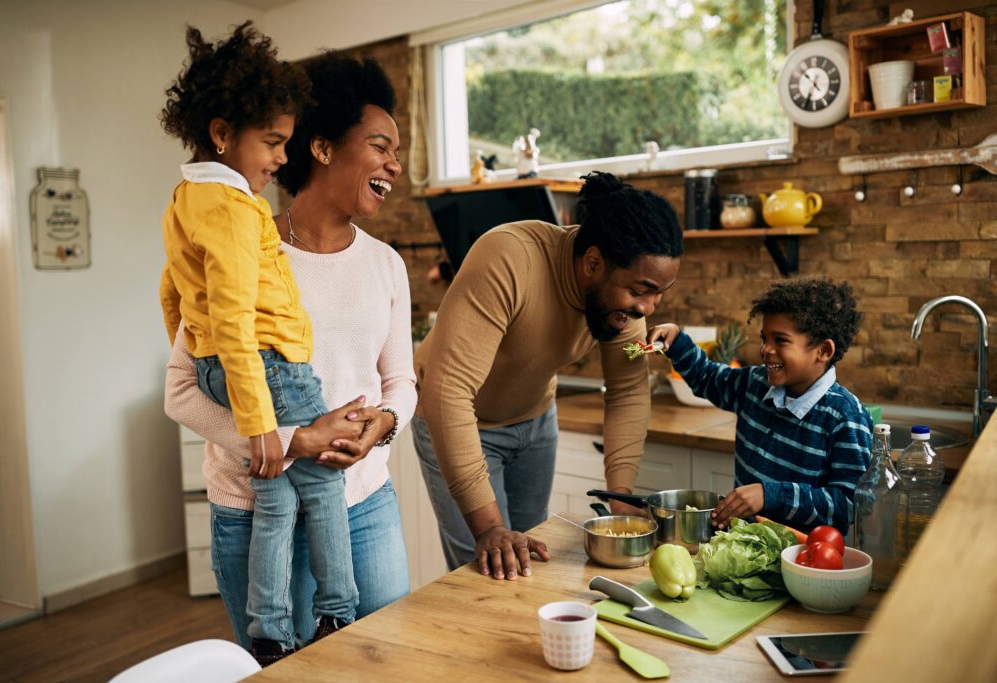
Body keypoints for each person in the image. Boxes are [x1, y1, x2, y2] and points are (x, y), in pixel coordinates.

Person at [163, 47, 412, 665]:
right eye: (380, 145)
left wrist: (383, 424)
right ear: (322, 147)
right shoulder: (241, 242)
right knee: (294, 673)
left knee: (389, 663)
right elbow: (182, 390)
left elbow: (400, 380)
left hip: (366, 502)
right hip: (257, 510)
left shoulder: (386, 264)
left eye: (396, 151)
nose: (395, 164)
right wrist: (290, 439)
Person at [412, 172, 684, 579]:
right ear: (593, 262)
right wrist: (489, 528)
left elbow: (627, 389)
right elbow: (447, 391)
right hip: (457, 421)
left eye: (659, 293)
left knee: (531, 565)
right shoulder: (509, 258)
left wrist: (620, 495)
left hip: (535, 422)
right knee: (489, 569)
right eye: (641, 291)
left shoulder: (625, 302)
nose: (648, 307)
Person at [647, 277, 872, 534]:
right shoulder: (754, 384)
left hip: (804, 560)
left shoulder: (846, 417)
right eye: (765, 338)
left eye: (781, 340)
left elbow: (849, 506)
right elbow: (707, 377)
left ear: (823, 350)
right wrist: (676, 341)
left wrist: (770, 495)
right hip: (742, 547)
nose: (765, 349)